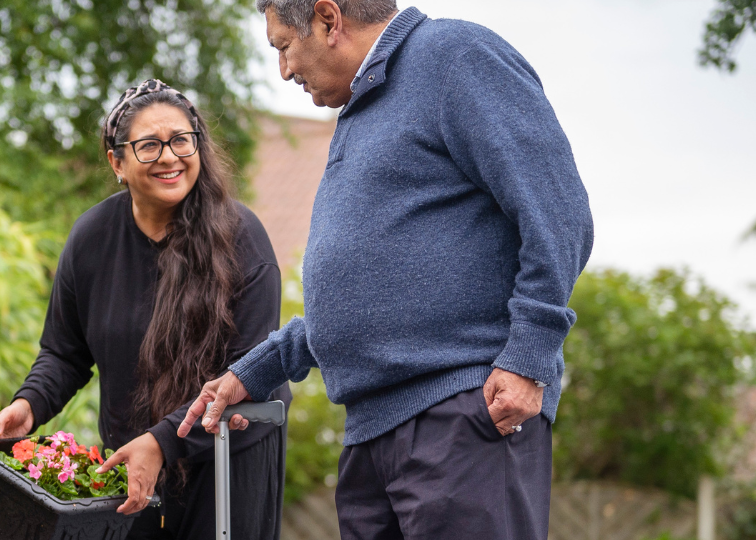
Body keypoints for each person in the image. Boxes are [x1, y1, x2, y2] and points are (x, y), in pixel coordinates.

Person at [179, 2, 594, 540]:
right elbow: (369, 297)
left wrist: (529, 358)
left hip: (463, 413)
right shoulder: (361, 108)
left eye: (283, 46)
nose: (283, 70)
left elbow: (559, 212)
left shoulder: (453, 57)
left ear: (329, 20)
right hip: (372, 435)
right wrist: (256, 369)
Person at [0, 79, 292, 539]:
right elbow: (65, 353)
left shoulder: (242, 238)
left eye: (181, 141)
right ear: (118, 162)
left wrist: (163, 441)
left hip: (230, 463)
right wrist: (30, 403)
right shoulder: (92, 238)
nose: (169, 157)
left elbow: (250, 374)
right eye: (148, 146)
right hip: (135, 465)